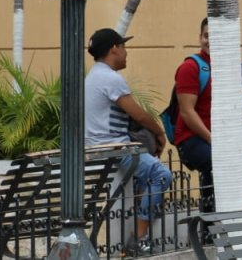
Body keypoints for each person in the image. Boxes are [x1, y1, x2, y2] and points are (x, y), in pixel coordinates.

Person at [84, 28, 172, 252]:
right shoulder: (111, 79)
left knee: (146, 179)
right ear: (114, 48)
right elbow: (139, 115)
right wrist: (160, 134)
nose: (126, 52)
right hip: (114, 148)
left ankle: (140, 222)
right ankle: (138, 239)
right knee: (161, 175)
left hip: (99, 146)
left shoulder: (93, 76)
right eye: (124, 47)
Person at [175, 18, 213, 212]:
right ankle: (209, 234)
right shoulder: (190, 67)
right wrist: (212, 140)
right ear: (200, 38)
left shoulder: (228, 67)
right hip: (192, 138)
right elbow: (187, 112)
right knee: (214, 165)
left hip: (213, 138)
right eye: (207, 36)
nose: (210, 40)